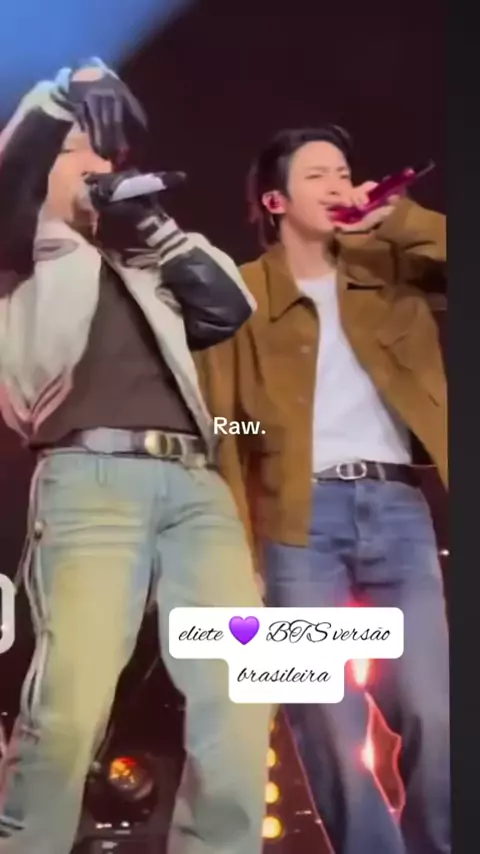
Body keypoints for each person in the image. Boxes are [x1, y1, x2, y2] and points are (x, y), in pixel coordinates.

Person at [0, 60, 271, 854]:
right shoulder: (24, 250)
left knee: (240, 694)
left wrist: (152, 227)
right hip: (90, 482)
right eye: (75, 151)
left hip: (198, 489)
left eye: (105, 152)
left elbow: (229, 308)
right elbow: (11, 170)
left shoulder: (150, 264)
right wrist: (59, 97)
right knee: (72, 701)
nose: (97, 164)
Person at [195, 126, 448, 854]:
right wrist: (237, 549)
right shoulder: (242, 293)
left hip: (398, 511)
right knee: (327, 722)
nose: (338, 184)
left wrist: (397, 219)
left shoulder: (390, 269)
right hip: (294, 521)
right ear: (275, 201)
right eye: (317, 175)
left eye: (343, 171)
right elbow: (223, 425)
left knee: (435, 711)